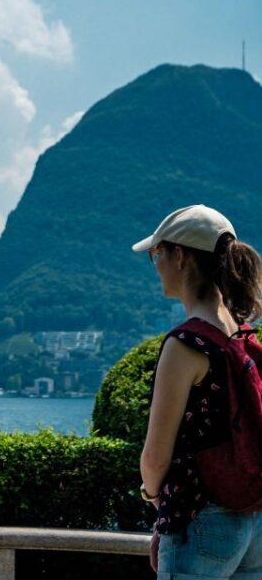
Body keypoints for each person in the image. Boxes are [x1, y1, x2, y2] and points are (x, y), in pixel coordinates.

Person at [133, 204, 262, 578]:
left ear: (181, 257)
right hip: (254, 522)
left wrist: (159, 503)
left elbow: (155, 458)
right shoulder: (242, 335)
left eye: (158, 254)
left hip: (202, 521)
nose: (155, 264)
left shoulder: (186, 344)